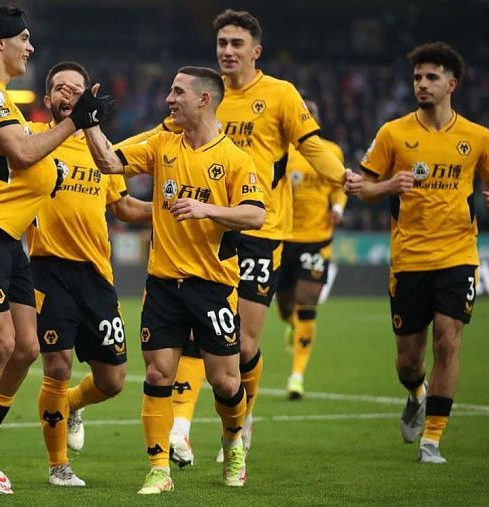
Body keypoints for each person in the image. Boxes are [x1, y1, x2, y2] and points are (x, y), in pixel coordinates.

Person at [136, 9, 362, 462]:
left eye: (237, 43)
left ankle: (241, 423)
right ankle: (180, 430)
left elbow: (312, 146)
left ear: (256, 51)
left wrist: (343, 178)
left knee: (242, 344)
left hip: (260, 228)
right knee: (195, 334)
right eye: (222, 43)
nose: (227, 51)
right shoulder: (205, 97)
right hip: (202, 230)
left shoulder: (280, 95)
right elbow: (156, 138)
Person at [0, 37, 148, 487]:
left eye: (76, 89)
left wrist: (172, 208)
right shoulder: (34, 136)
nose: (68, 94)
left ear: (88, 96)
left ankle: (35, 421)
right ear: (48, 100)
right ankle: (38, 462)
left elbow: (123, 206)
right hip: (44, 266)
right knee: (46, 362)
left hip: (97, 273)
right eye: (60, 88)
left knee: (112, 379)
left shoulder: (102, 152)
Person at [84, 66, 265, 494]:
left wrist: (207, 210)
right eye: (170, 90)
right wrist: (88, 122)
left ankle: (233, 443)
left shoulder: (235, 159)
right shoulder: (161, 144)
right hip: (164, 284)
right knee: (157, 374)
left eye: (178, 91)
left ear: (204, 99)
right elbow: (109, 161)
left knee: (226, 382)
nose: (169, 98)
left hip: (213, 286)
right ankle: (158, 469)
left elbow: (256, 215)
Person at [359, 41, 489, 464]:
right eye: (418, 76)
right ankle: (416, 392)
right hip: (409, 259)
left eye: (431, 77)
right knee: (408, 362)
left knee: (448, 341)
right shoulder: (393, 133)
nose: (422, 83)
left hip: (458, 255)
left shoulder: (478, 137)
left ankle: (432, 440)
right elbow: (363, 188)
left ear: (451, 84)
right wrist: (388, 185)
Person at [276, 98, 348, 400]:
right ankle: (292, 325)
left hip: (318, 239)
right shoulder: (282, 151)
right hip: (282, 238)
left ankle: (297, 376)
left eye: (311, 114)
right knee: (285, 308)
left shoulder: (331, 152)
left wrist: (338, 208)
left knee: (307, 302)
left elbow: (339, 186)